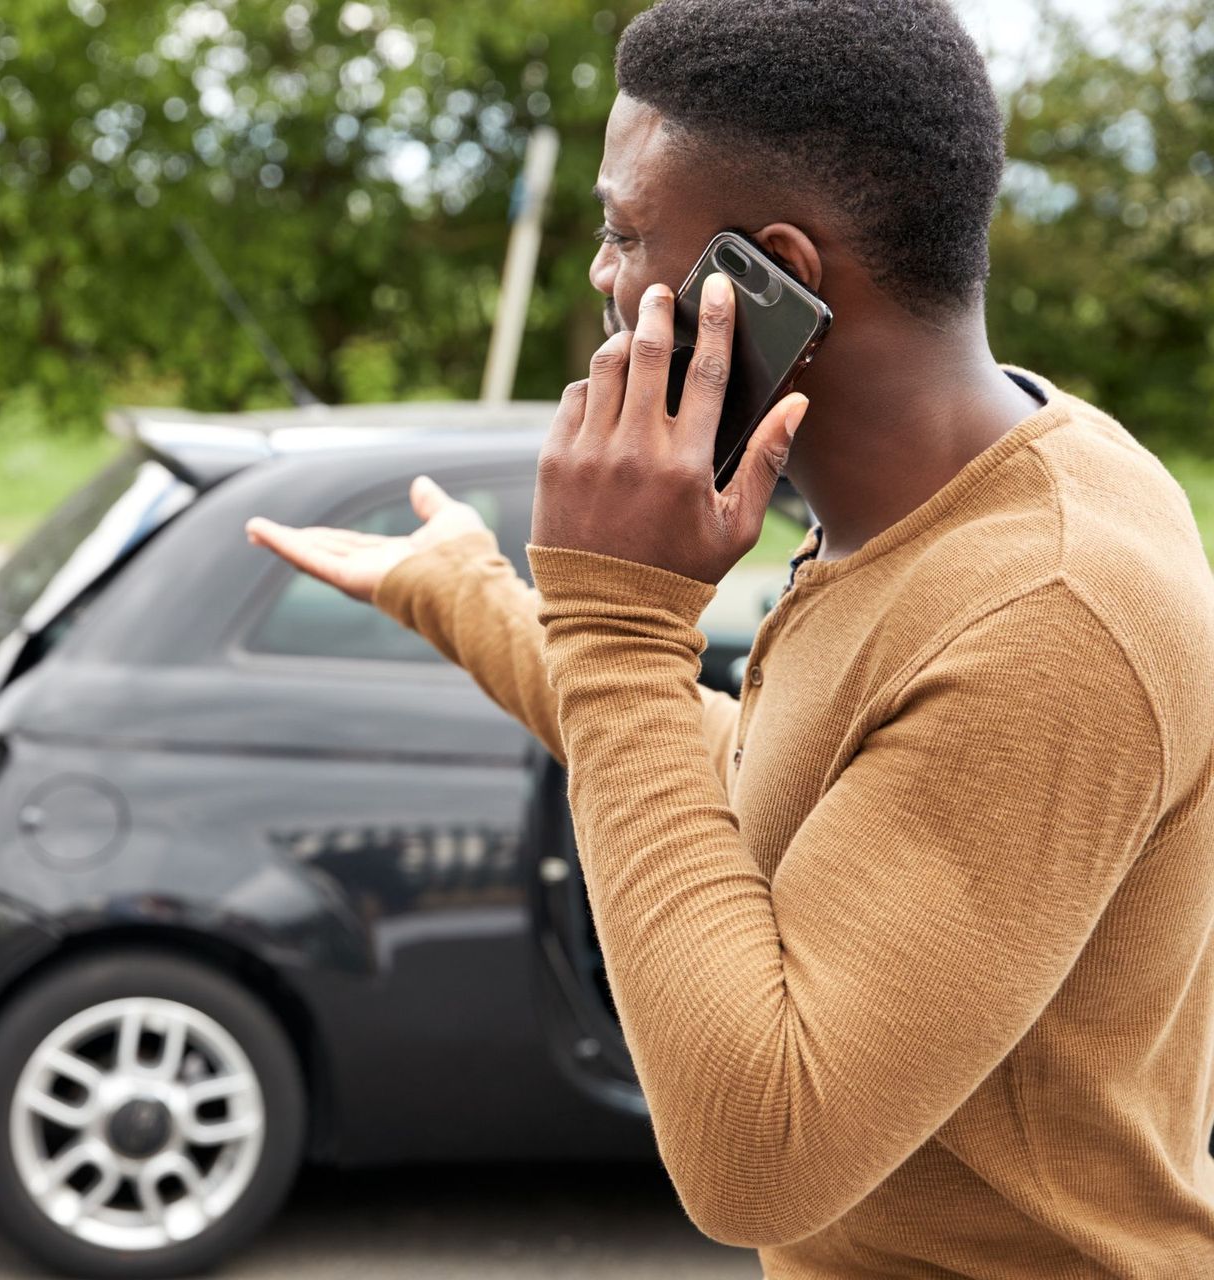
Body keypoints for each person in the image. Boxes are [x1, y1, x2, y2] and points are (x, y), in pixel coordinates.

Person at [245, 0, 1214, 1274]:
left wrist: (618, 618)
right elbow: (782, 775)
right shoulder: (971, 490)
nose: (600, 272)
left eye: (624, 229)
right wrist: (471, 596)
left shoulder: (1050, 611)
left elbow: (761, 1154)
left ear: (772, 278)